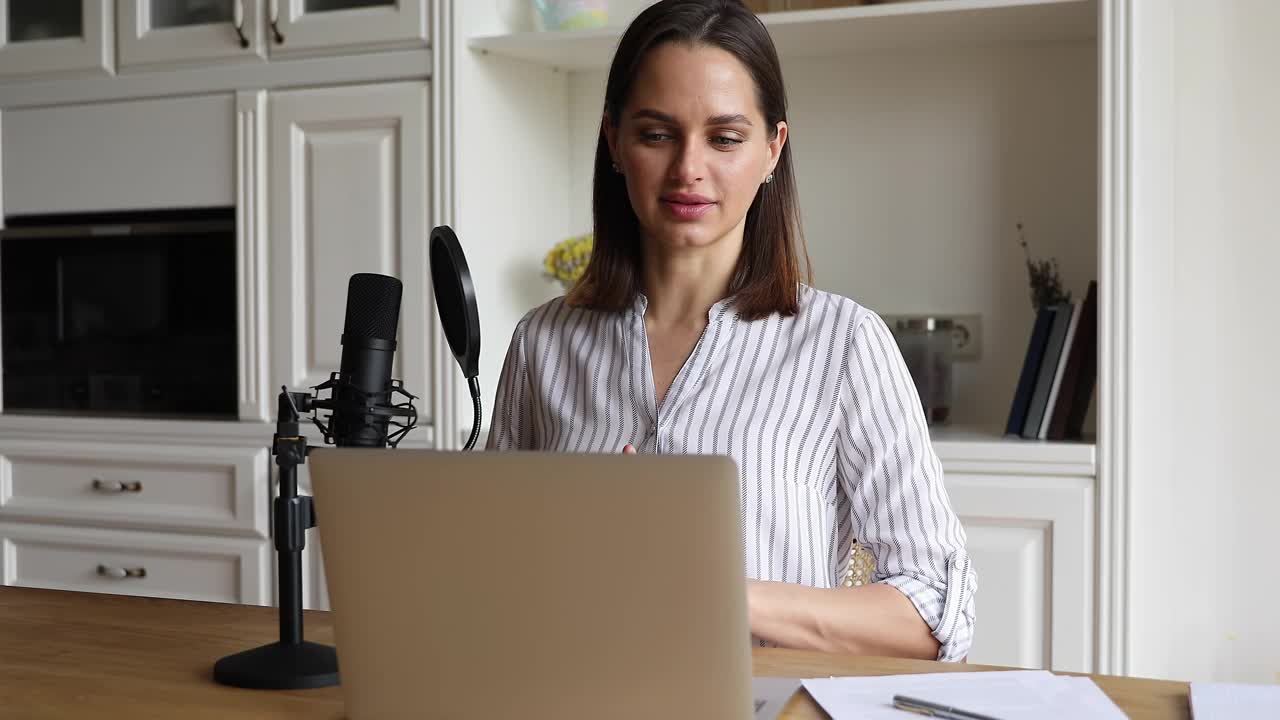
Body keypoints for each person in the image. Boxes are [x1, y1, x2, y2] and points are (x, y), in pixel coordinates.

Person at [487, 0, 975, 662]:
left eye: (724, 138)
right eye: (657, 134)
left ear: (773, 149)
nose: (689, 168)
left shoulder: (844, 345)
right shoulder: (542, 345)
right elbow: (495, 577)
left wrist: (718, 594)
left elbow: (932, 612)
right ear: (614, 142)